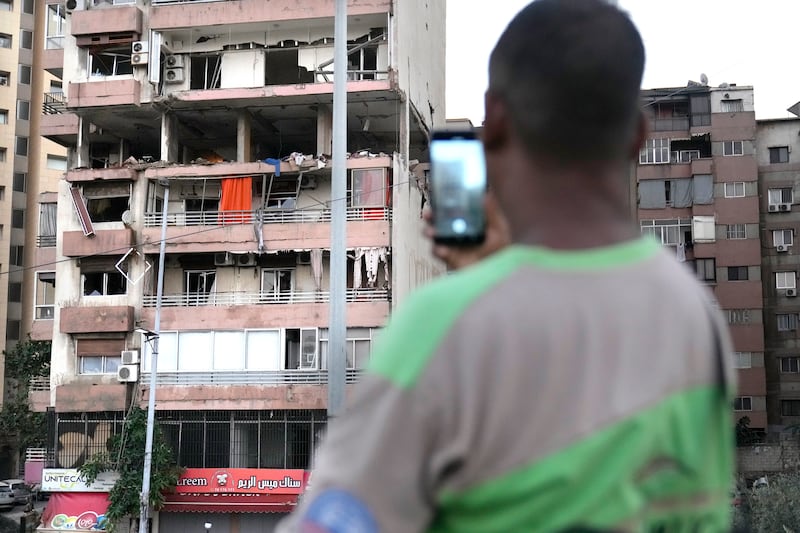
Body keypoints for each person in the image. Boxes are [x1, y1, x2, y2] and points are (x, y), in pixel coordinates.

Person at [277, 0, 735, 531]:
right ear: (637, 136)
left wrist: (479, 295)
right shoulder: (697, 318)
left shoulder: (444, 328)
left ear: (494, 120)